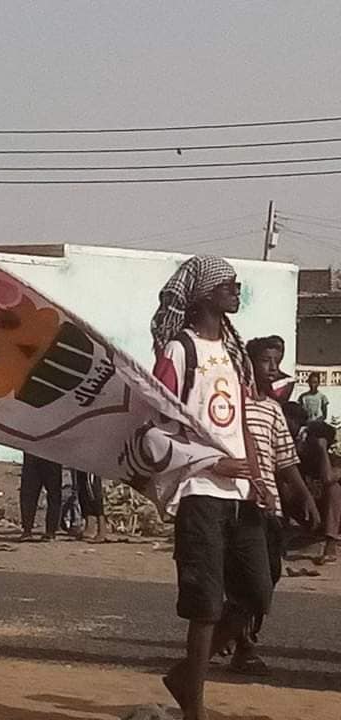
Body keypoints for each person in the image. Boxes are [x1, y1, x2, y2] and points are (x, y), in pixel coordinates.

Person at [151, 255, 274, 720]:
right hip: (199, 490)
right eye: (230, 285)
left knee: (257, 591)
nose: (237, 291)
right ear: (204, 294)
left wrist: (256, 476)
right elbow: (158, 428)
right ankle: (194, 707)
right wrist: (215, 462)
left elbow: (240, 421)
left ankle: (185, 674)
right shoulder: (179, 352)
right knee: (204, 604)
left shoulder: (234, 351)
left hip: (241, 496)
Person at [227, 337, 319, 675]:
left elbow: (285, 460)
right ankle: (242, 646)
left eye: (276, 360)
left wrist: (306, 497)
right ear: (249, 362)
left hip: (271, 508)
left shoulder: (272, 408)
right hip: (237, 503)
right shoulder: (231, 403)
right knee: (247, 581)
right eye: (266, 360)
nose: (272, 367)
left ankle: (241, 634)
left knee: (270, 576)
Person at [284, 401, 341, 564]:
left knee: (334, 489)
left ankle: (330, 543)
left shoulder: (335, 459)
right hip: (314, 511)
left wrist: (322, 449)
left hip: (335, 514)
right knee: (285, 482)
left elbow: (328, 478)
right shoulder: (301, 454)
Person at [18, 453, 62, 542]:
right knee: (28, 493)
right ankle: (27, 530)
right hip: (34, 454)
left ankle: (50, 531)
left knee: (54, 495)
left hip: (52, 455)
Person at [74, 469, 107, 542]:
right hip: (80, 462)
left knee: (93, 489)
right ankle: (90, 527)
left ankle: (102, 530)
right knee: (82, 490)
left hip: (91, 463)